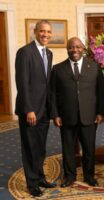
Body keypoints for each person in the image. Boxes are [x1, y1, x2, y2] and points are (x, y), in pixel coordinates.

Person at [51, 37, 104, 188]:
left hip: (89, 116)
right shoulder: (57, 69)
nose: (74, 50)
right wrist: (55, 114)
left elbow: (101, 92)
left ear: (83, 49)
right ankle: (69, 176)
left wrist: (100, 112)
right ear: (67, 49)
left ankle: (89, 176)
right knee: (68, 149)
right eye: (71, 47)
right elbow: (52, 94)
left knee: (89, 149)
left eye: (77, 47)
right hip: (66, 117)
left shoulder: (94, 67)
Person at [15, 20, 56, 197]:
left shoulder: (49, 53)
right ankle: (32, 184)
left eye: (48, 32)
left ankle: (40, 177)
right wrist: (29, 109)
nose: (45, 35)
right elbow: (22, 83)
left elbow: (46, 84)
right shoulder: (25, 52)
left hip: (44, 109)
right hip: (30, 110)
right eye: (42, 31)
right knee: (30, 148)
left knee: (40, 147)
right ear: (35, 32)